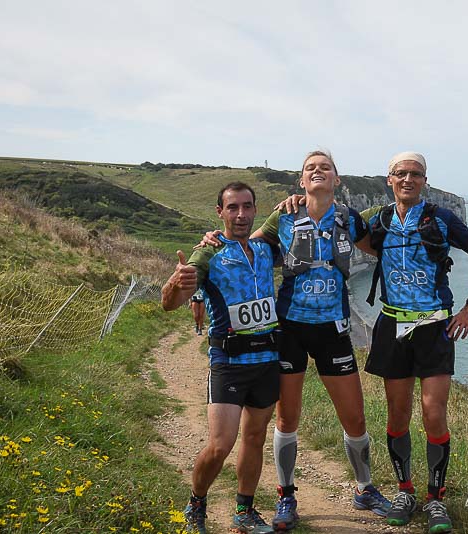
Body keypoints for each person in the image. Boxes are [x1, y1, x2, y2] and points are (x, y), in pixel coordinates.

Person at [201, 151, 390, 531]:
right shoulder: (283, 216)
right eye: (310, 168)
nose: (318, 171)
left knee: (354, 417)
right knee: (288, 418)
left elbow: (382, 249)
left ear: (337, 179)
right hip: (289, 328)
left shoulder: (350, 219)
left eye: (325, 167)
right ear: (301, 181)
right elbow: (245, 249)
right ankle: (285, 495)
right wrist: (212, 243)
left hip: (334, 328)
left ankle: (365, 488)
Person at [361, 152, 468, 534]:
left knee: (433, 412)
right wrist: (297, 202)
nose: (408, 179)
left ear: (424, 180)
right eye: (401, 173)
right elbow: (349, 235)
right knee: (397, 413)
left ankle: (436, 498)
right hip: (393, 324)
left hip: (435, 326)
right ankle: (405, 492)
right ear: (389, 179)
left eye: (416, 174)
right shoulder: (379, 220)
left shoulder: (442, 218)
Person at [162, 182, 280, 534]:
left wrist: (295, 197)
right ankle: (196, 503)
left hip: (267, 360)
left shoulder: (264, 249)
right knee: (220, 444)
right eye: (232, 207)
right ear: (220, 212)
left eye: (247, 206)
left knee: (255, 439)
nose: (241, 214)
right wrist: (176, 283)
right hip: (229, 363)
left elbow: (293, 214)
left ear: (255, 209)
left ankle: (244, 510)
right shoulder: (207, 253)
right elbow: (169, 304)